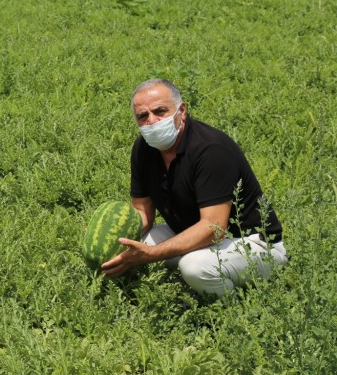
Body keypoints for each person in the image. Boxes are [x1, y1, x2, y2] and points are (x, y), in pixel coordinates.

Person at [102, 78, 287, 297]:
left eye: (160, 111)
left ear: (181, 110)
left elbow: (213, 228)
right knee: (126, 247)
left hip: (251, 242)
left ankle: (231, 310)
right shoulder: (144, 149)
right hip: (194, 228)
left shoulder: (211, 150)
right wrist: (111, 236)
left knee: (194, 267)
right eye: (143, 116)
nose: (152, 121)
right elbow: (142, 212)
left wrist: (152, 254)